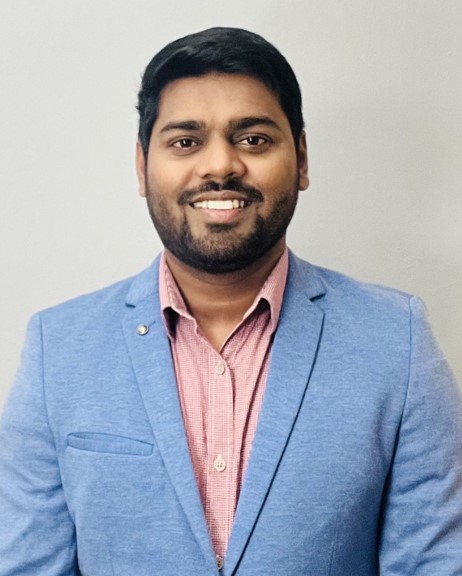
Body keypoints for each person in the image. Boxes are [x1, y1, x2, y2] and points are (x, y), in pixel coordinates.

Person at [1, 26, 461, 576]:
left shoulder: (396, 340)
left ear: (302, 159)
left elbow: (436, 563)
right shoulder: (58, 348)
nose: (220, 166)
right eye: (185, 142)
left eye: (253, 140)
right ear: (142, 167)